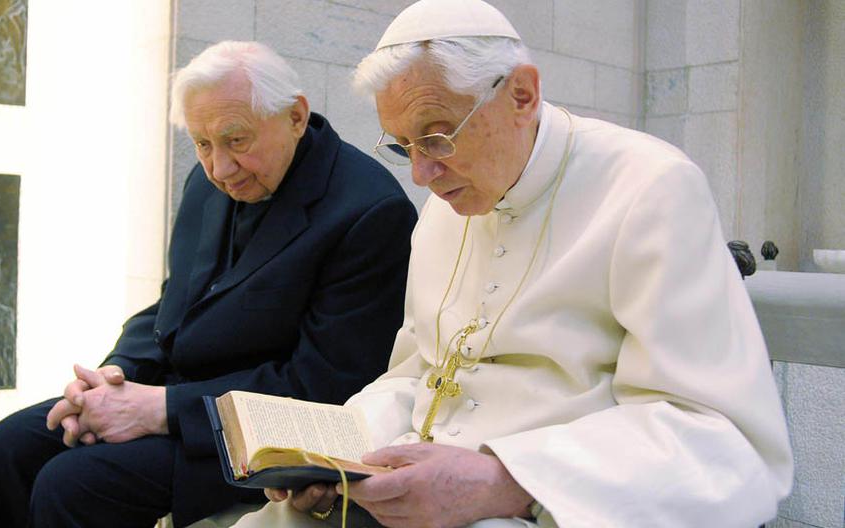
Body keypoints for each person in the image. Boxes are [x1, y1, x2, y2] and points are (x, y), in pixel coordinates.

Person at [233, 1, 793, 527]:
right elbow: (417, 373)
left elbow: (720, 440)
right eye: (404, 147)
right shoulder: (442, 212)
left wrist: (510, 479)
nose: (421, 176)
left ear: (521, 95)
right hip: (401, 491)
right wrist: (341, 451)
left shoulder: (652, 188)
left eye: (436, 137)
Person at [0, 41, 418, 528]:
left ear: (295, 116)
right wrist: (109, 381)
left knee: (72, 482)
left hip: (256, 437)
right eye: (202, 144)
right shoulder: (209, 182)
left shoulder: (371, 212)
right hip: (173, 395)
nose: (220, 168)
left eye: (236, 140)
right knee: (10, 443)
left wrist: (159, 410)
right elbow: (171, 307)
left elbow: (324, 385)